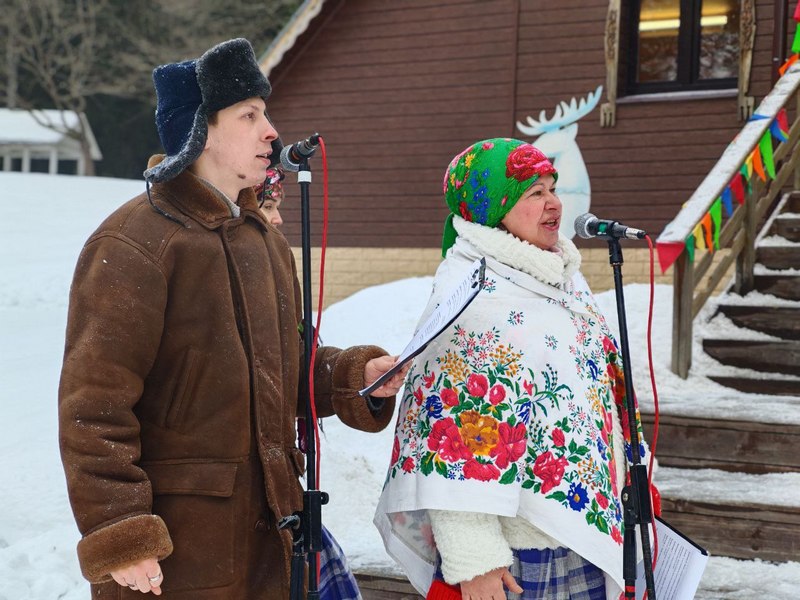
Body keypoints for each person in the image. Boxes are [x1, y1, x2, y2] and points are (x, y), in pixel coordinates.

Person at [58, 38, 406, 600]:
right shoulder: (133, 244)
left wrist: (351, 377)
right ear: (201, 131)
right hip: (178, 556)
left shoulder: (262, 241)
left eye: (265, 113)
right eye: (249, 115)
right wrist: (121, 530)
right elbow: (93, 407)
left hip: (271, 542)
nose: (271, 131)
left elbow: (280, 370)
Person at [374, 139, 655, 600]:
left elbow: (599, 395)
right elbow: (447, 439)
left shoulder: (562, 279)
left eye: (552, 188)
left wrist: (633, 479)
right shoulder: (471, 295)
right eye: (534, 193)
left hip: (587, 535)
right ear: (495, 208)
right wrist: (475, 558)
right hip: (522, 555)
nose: (554, 203)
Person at [253, 168, 363, 600]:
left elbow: (292, 373)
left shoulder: (274, 264)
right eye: (267, 205)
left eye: (278, 205)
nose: (279, 218)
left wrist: (355, 374)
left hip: (281, 491)